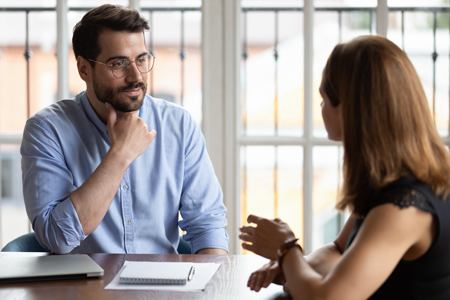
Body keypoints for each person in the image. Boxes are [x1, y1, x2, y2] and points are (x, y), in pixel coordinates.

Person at [239, 35, 450, 299]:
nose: (321, 107)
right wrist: (294, 267)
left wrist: (287, 249)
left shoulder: (404, 206)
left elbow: (328, 298)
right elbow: (338, 250)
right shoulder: (397, 177)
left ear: (350, 110)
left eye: (325, 99)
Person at [21, 4, 228, 255]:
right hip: (83, 290)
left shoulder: (179, 125)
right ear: (84, 69)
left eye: (141, 59)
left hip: (161, 289)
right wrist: (120, 156)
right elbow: (57, 238)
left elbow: (208, 227)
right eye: (118, 64)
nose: (135, 76)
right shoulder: (46, 130)